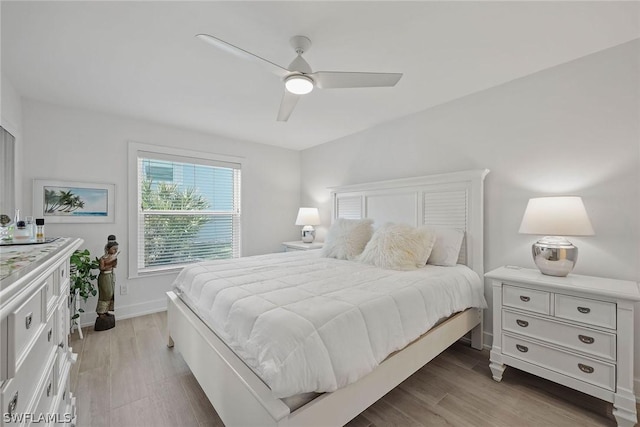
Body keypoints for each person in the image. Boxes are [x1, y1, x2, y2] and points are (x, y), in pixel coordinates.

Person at [95, 235, 118, 331]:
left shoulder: (113, 257)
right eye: (113, 249)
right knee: (105, 294)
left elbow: (115, 266)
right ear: (108, 249)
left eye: (116, 249)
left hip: (110, 276)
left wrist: (114, 261)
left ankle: (106, 310)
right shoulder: (103, 258)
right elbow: (102, 268)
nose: (115, 251)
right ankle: (101, 312)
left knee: (110, 294)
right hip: (104, 277)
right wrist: (109, 263)